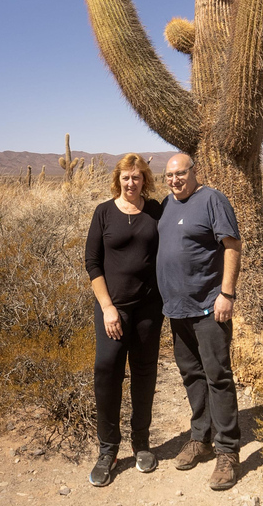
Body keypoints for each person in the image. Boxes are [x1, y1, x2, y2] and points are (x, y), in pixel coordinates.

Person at [156, 153, 243, 491]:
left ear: (194, 172)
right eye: (169, 175)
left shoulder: (211, 199)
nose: (175, 180)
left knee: (218, 376)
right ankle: (200, 437)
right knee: (192, 375)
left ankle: (227, 451)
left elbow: (232, 245)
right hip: (177, 309)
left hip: (209, 306)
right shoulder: (166, 204)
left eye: (180, 173)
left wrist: (227, 294)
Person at [84, 153, 164, 487]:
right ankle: (108, 449)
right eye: (126, 177)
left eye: (137, 177)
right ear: (118, 179)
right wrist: (107, 307)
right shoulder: (103, 212)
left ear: (145, 179)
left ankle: (141, 442)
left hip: (148, 309)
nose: (131, 183)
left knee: (144, 373)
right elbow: (92, 263)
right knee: (107, 372)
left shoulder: (156, 211)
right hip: (112, 310)